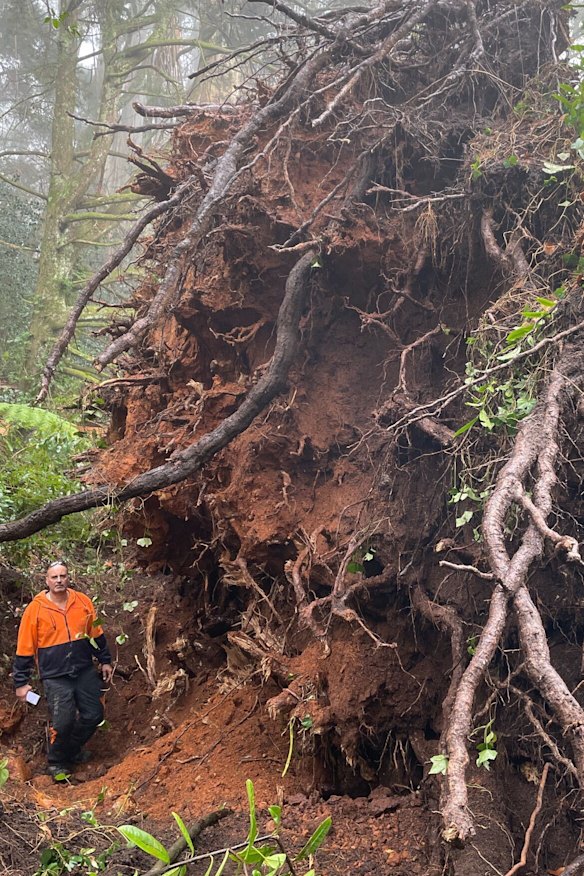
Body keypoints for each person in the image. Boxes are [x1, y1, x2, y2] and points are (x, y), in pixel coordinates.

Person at [13, 561, 113, 779]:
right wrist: (21, 682)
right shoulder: (35, 609)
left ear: (68, 578)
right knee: (63, 720)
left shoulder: (83, 602)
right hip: (55, 675)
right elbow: (25, 647)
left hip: (84, 669)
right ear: (46, 580)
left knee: (94, 715)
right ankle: (56, 762)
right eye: (54, 577)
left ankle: (70, 751)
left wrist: (105, 660)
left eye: (63, 576)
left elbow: (95, 633)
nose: (59, 580)